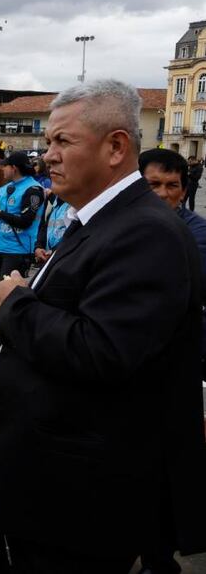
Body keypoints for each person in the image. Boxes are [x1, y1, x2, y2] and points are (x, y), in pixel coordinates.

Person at [0, 80, 206, 572]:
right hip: (39, 476)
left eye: (62, 142)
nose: (46, 155)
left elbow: (102, 351)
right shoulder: (99, 220)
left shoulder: (144, 232)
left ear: (115, 147)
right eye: (48, 141)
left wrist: (14, 306)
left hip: (70, 501)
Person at [138, 148, 206, 573]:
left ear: (184, 190)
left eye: (172, 186)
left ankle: (159, 560)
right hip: (133, 370)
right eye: (153, 185)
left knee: (163, 473)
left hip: (177, 370)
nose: (163, 194)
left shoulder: (195, 233)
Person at [0, 151, 44, 279]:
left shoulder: (33, 189)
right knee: (1, 286)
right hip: (0, 246)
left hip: (18, 248)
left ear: (14, 168)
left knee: (10, 290)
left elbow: (25, 221)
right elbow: (0, 213)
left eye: (5, 166)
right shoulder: (4, 189)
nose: (3, 169)